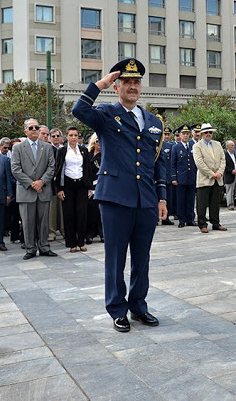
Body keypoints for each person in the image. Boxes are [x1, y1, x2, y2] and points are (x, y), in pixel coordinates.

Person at [71, 58, 166, 332]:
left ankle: (138, 306)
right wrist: (100, 82)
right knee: (115, 257)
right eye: (127, 83)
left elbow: (156, 162)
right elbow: (79, 109)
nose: (132, 87)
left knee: (142, 258)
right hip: (114, 198)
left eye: (136, 83)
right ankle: (117, 308)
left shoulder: (154, 122)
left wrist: (161, 198)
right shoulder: (105, 114)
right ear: (117, 87)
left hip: (145, 200)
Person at [11, 118, 58, 260]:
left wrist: (42, 182)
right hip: (26, 191)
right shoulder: (18, 148)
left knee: (44, 222)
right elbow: (15, 169)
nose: (34, 130)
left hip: (43, 190)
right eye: (30, 128)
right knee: (27, 222)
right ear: (25, 131)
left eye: (36, 127)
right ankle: (30, 248)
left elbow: (52, 167)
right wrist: (32, 183)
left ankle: (44, 247)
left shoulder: (47, 147)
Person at [55, 126, 94, 252]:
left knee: (82, 213)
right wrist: (59, 189)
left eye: (75, 135)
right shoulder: (62, 151)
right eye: (71, 135)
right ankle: (71, 243)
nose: (73, 138)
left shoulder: (83, 150)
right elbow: (58, 169)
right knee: (69, 214)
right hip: (68, 185)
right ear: (67, 137)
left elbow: (88, 169)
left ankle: (81, 241)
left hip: (81, 184)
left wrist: (89, 187)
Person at [193, 123, 227, 233]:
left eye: (210, 132)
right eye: (206, 132)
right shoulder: (197, 146)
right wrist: (212, 174)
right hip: (204, 179)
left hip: (218, 179)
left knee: (215, 203)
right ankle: (202, 224)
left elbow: (223, 159)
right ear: (201, 134)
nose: (208, 134)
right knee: (202, 204)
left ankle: (216, 223)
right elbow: (199, 163)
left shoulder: (217, 144)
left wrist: (220, 172)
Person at [171, 124, 197, 228]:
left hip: (192, 177)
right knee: (180, 200)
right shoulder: (176, 147)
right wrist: (173, 177)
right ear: (180, 135)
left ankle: (190, 219)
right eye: (183, 134)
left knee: (191, 199)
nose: (185, 136)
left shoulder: (193, 146)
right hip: (180, 178)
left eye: (187, 134)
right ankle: (182, 219)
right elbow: (173, 164)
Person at [86, 133, 103, 243]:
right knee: (90, 211)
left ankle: (102, 234)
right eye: (97, 141)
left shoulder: (105, 155)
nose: (99, 144)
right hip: (88, 186)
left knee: (100, 210)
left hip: (100, 185)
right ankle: (89, 233)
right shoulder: (87, 154)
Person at [161, 127, 175, 225]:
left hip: (169, 176)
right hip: (160, 176)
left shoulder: (172, 146)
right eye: (165, 134)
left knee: (169, 198)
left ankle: (166, 217)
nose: (166, 136)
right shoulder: (159, 145)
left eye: (168, 134)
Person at [224, 140, 236, 211]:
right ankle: (230, 205)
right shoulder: (225, 155)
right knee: (230, 191)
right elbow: (224, 166)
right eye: (232, 145)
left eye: (234, 145)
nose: (234, 147)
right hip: (230, 175)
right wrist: (231, 171)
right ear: (228, 147)